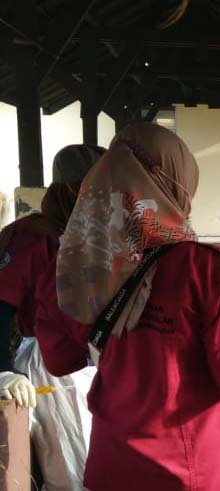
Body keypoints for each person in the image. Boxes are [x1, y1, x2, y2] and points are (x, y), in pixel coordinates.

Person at [34, 123, 220, 491]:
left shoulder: (77, 268)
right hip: (193, 473)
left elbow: (59, 359)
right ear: (175, 185)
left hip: (111, 467)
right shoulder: (207, 268)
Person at [0, 144, 104, 491]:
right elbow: (1, 302)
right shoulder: (33, 237)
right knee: (74, 472)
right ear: (72, 188)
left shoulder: (93, 234)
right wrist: (2, 367)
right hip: (52, 369)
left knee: (103, 464)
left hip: (94, 362)